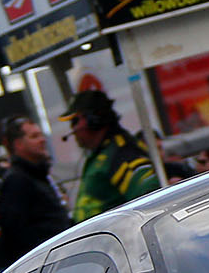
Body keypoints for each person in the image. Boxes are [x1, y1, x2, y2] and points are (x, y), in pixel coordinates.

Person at [59, 87, 158, 222]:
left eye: (75, 121)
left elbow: (149, 193)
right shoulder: (101, 154)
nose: (73, 129)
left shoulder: (122, 153)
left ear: (94, 119)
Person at [0, 114, 72, 262]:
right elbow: (16, 233)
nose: (42, 140)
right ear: (18, 144)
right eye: (34, 136)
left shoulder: (38, 175)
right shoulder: (17, 181)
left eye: (41, 135)